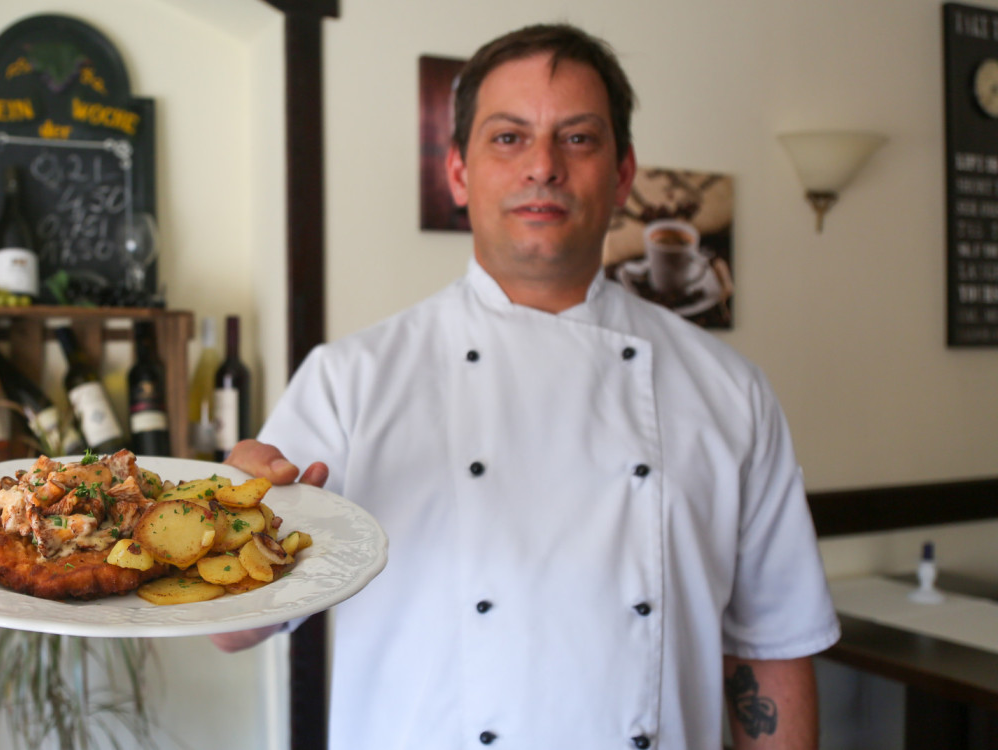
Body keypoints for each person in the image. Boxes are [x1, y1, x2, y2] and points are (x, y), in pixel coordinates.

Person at [212, 23, 839, 750]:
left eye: (578, 138)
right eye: (508, 138)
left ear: (624, 173)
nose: (543, 166)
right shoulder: (351, 379)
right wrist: (235, 525)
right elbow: (233, 635)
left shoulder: (730, 391)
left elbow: (770, 646)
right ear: (458, 173)